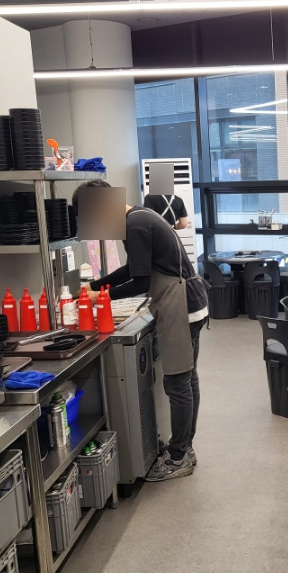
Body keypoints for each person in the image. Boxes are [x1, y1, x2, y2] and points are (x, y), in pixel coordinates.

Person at [73, 179, 209, 481]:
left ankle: (178, 457)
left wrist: (102, 296)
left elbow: (140, 281)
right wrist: (96, 285)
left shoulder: (135, 224)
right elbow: (133, 268)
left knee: (178, 383)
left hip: (180, 305)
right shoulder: (139, 216)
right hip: (190, 301)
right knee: (187, 379)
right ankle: (184, 448)